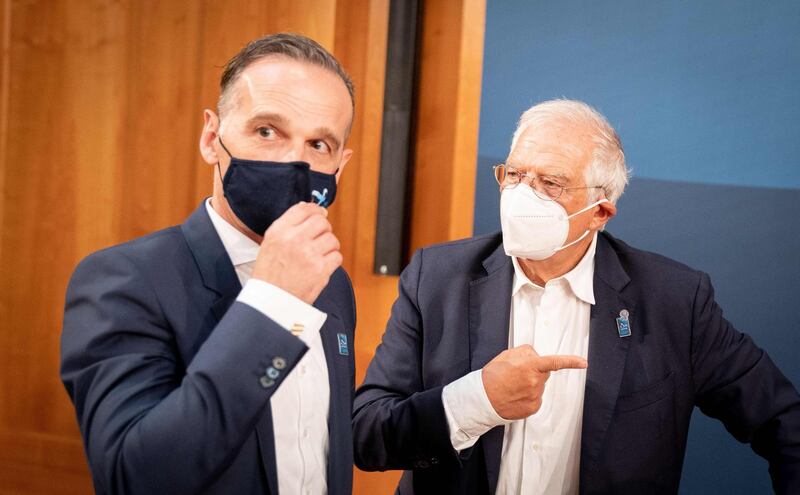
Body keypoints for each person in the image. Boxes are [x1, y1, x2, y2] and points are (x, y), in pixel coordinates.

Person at [352, 99, 800, 494]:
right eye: (514, 174)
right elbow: (367, 435)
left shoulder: (675, 302)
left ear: (599, 212)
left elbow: (784, 421)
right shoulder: (436, 278)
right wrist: (477, 401)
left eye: (550, 183)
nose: (521, 195)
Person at [61, 33, 357, 495]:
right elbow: (131, 477)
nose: (293, 160)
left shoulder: (333, 283)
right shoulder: (122, 281)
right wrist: (274, 305)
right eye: (267, 131)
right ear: (211, 137)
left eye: (319, 144)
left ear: (340, 167)